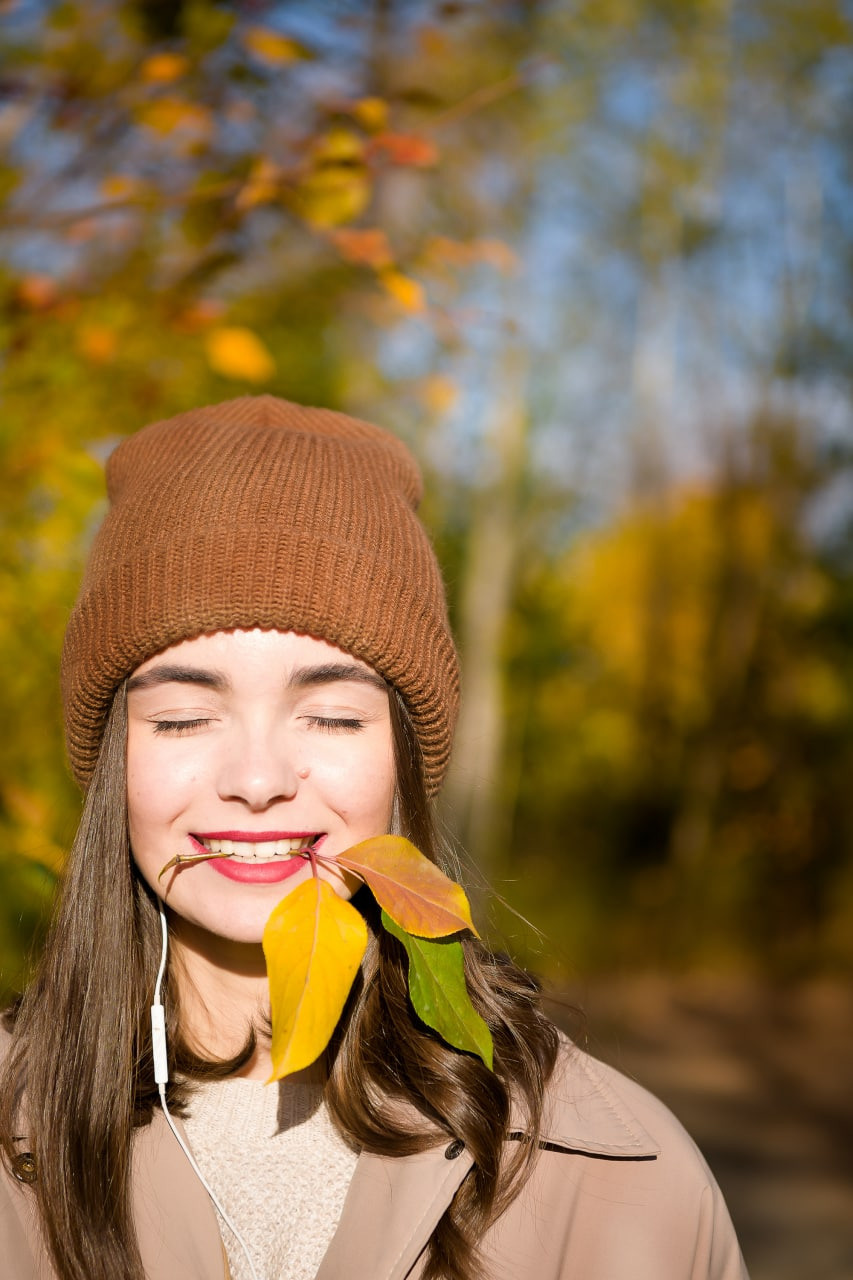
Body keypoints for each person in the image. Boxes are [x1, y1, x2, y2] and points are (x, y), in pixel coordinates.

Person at [0, 396, 748, 1280]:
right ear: (112, 763)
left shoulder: (620, 1179)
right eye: (183, 717)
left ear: (404, 757)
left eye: (329, 715)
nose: (257, 779)